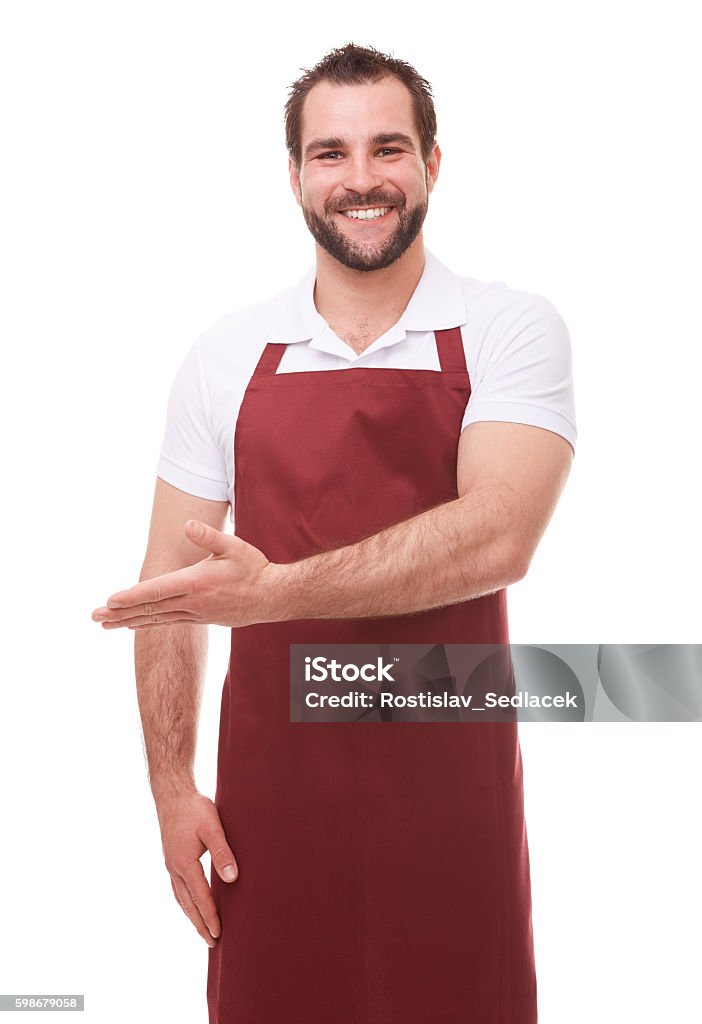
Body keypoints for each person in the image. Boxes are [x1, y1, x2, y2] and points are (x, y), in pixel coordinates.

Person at [92, 41, 576, 1024]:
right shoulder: (226, 356)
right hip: (272, 811)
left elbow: (496, 535)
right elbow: (166, 596)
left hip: (453, 805)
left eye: (388, 149)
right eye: (331, 154)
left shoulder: (506, 329)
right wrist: (173, 787)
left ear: (432, 164)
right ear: (295, 175)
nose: (362, 179)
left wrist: (269, 596)